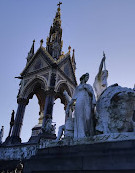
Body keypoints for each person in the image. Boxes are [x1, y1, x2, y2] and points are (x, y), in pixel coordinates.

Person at [66, 73, 96, 138]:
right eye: (86, 77)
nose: (87, 79)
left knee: (88, 117)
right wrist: (68, 106)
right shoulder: (78, 87)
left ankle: (87, 133)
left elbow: (92, 94)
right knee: (80, 118)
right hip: (79, 102)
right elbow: (73, 97)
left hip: (87, 102)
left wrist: (87, 89)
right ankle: (81, 135)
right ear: (83, 77)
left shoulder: (89, 86)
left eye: (88, 78)